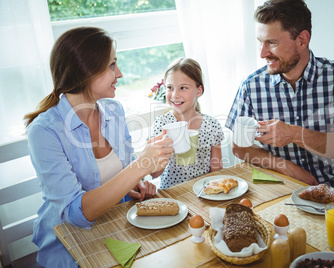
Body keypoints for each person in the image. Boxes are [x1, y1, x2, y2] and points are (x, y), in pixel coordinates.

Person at [24, 27, 174, 267]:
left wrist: (136, 183)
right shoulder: (44, 131)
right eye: (112, 65)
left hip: (118, 227)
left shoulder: (114, 111)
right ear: (87, 71)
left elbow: (118, 173)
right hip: (72, 246)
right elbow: (76, 214)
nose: (121, 73)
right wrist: (139, 167)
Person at [225, 0, 334, 208]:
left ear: (302, 40)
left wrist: (294, 134)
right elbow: (239, 147)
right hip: (281, 189)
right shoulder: (251, 85)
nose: (262, 53)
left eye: (272, 43)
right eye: (260, 42)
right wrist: (285, 167)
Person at [150, 57, 224, 189]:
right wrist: (164, 150)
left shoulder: (211, 124)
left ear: (199, 91)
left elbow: (216, 170)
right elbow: (155, 173)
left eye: (183, 88)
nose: (174, 95)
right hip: (173, 195)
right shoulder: (161, 124)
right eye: (170, 87)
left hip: (204, 193)